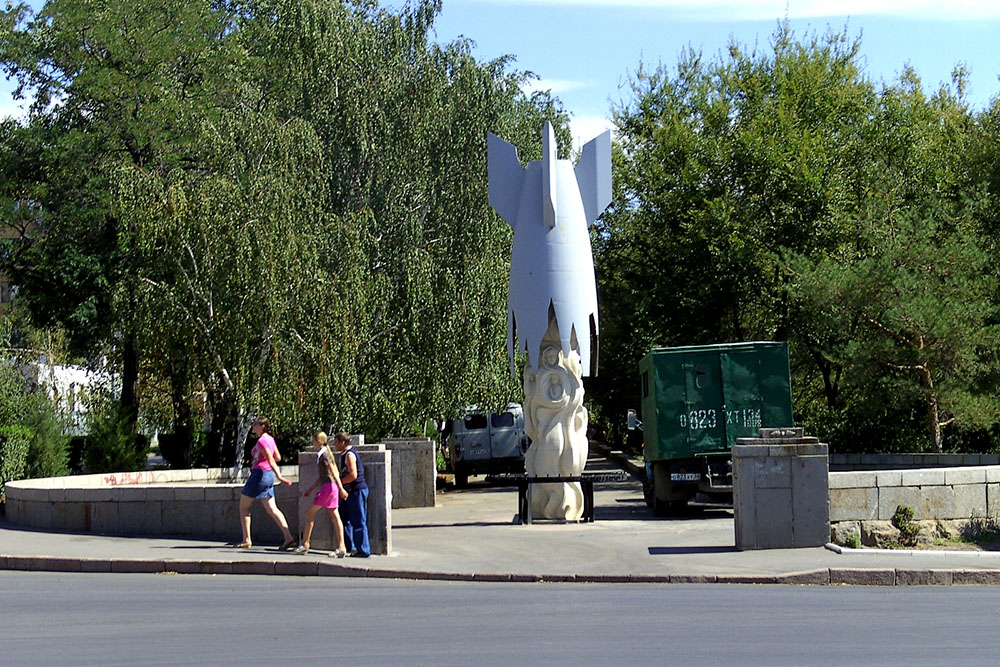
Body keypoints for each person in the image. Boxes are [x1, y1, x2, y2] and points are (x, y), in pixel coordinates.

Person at [236, 417, 296, 550]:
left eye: (256, 424)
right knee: (272, 508)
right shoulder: (270, 439)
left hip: (259, 475)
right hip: (268, 476)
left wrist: (280, 477)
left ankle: (247, 540)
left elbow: (271, 459)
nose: (253, 425)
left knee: (244, 507)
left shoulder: (262, 441)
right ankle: (288, 537)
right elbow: (277, 457)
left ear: (262, 426)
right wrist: (260, 459)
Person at [294, 431, 348, 557]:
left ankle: (305, 544)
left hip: (328, 488)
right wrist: (311, 489)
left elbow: (334, 473)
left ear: (318, 441)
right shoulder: (324, 454)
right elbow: (323, 476)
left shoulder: (324, 455)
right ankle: (341, 547)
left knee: (309, 513)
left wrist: (342, 489)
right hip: (331, 487)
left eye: (313, 440)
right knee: (335, 517)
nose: (312, 443)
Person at [333, 431, 370, 557]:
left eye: (336, 442)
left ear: (343, 442)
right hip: (349, 492)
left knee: (358, 520)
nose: (334, 445)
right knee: (344, 519)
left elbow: (353, 475)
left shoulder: (349, 455)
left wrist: (340, 483)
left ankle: (363, 550)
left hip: (356, 490)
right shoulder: (344, 454)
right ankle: (350, 547)